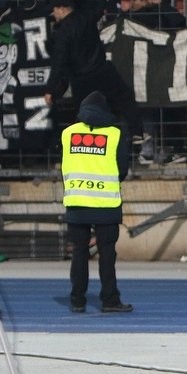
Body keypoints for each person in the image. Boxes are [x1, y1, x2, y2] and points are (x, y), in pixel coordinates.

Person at [62, 90, 133, 314]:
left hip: (77, 203)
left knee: (79, 253)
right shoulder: (116, 134)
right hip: (106, 205)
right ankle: (110, 301)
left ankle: (77, 301)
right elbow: (122, 170)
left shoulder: (68, 133)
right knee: (107, 254)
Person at [45, 0, 144, 140]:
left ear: (62, 9)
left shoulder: (61, 34)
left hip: (80, 80)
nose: (53, 14)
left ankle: (85, 144)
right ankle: (136, 132)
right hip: (102, 72)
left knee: (83, 114)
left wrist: (50, 89)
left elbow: (58, 63)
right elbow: (97, 10)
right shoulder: (85, 18)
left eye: (54, 10)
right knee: (125, 98)